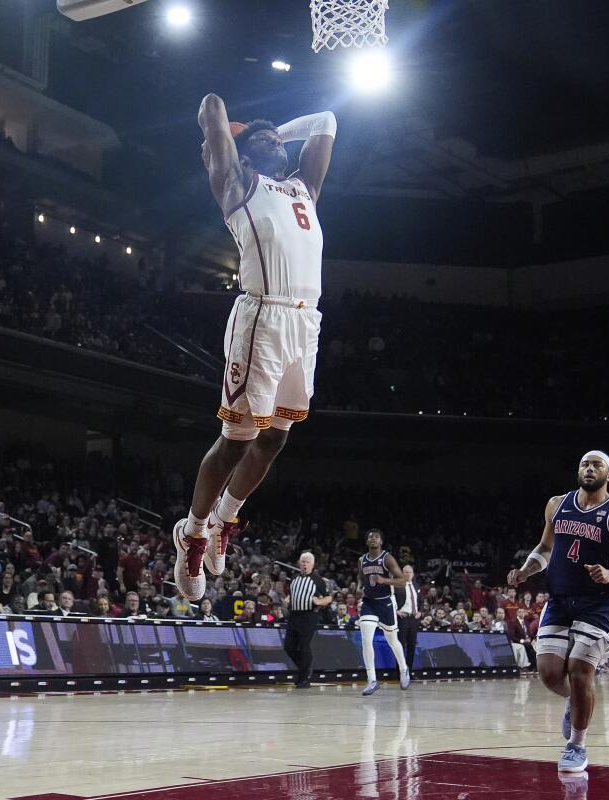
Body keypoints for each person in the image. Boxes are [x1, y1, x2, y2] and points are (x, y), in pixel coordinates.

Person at [170, 94, 337, 602]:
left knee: (275, 440)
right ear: (242, 157)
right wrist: (236, 133)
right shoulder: (237, 184)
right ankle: (193, 532)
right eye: (261, 141)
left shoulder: (304, 188)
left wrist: (271, 132)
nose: (274, 143)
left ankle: (225, 519)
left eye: (277, 139)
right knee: (238, 440)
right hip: (261, 316)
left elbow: (325, 119)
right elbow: (211, 105)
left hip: (304, 323)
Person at [508, 450, 609, 773]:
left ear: (608, 475)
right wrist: (526, 571)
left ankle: (577, 745)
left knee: (581, 670)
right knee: (549, 673)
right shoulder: (557, 504)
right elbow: (545, 548)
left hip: (598, 601)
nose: (589, 468)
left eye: (597, 464)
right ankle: (576, 702)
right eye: (585, 463)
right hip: (558, 598)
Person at [356, 529, 412, 696]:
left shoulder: (387, 558)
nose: (373, 539)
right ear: (366, 542)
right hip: (369, 603)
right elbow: (360, 577)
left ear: (381, 541)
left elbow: (403, 581)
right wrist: (359, 587)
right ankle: (372, 680)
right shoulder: (361, 560)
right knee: (366, 640)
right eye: (370, 536)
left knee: (392, 640)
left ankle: (403, 668)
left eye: (376, 536)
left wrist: (384, 580)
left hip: (386, 602)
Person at [283, 551, 332, 688]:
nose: (304, 564)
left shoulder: (317, 580)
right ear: (299, 563)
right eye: (302, 561)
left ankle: (303, 678)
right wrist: (287, 600)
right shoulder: (293, 578)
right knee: (289, 646)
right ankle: (305, 669)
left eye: (307, 562)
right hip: (294, 615)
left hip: (309, 616)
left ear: (312, 564)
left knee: (304, 646)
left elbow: (328, 597)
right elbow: (292, 595)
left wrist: (319, 601)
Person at [395, 564, 420, 672]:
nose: (408, 574)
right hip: (402, 618)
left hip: (414, 618)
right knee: (400, 645)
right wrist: (396, 611)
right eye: (406, 572)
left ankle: (409, 671)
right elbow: (390, 600)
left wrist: (420, 612)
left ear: (413, 574)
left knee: (412, 645)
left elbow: (421, 601)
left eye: (410, 572)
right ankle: (400, 671)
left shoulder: (416, 585)